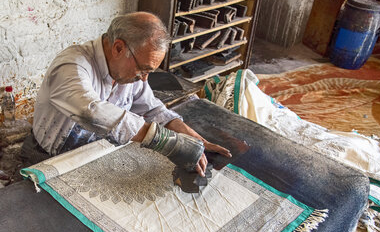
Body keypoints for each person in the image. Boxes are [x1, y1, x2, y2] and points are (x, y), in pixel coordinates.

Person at [22, 11, 231, 176]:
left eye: (150, 71)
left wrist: (189, 135)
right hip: (49, 159)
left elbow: (151, 108)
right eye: (143, 69)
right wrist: (169, 142)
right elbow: (92, 112)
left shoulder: (128, 71)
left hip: (97, 153)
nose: (144, 78)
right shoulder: (72, 65)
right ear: (119, 48)